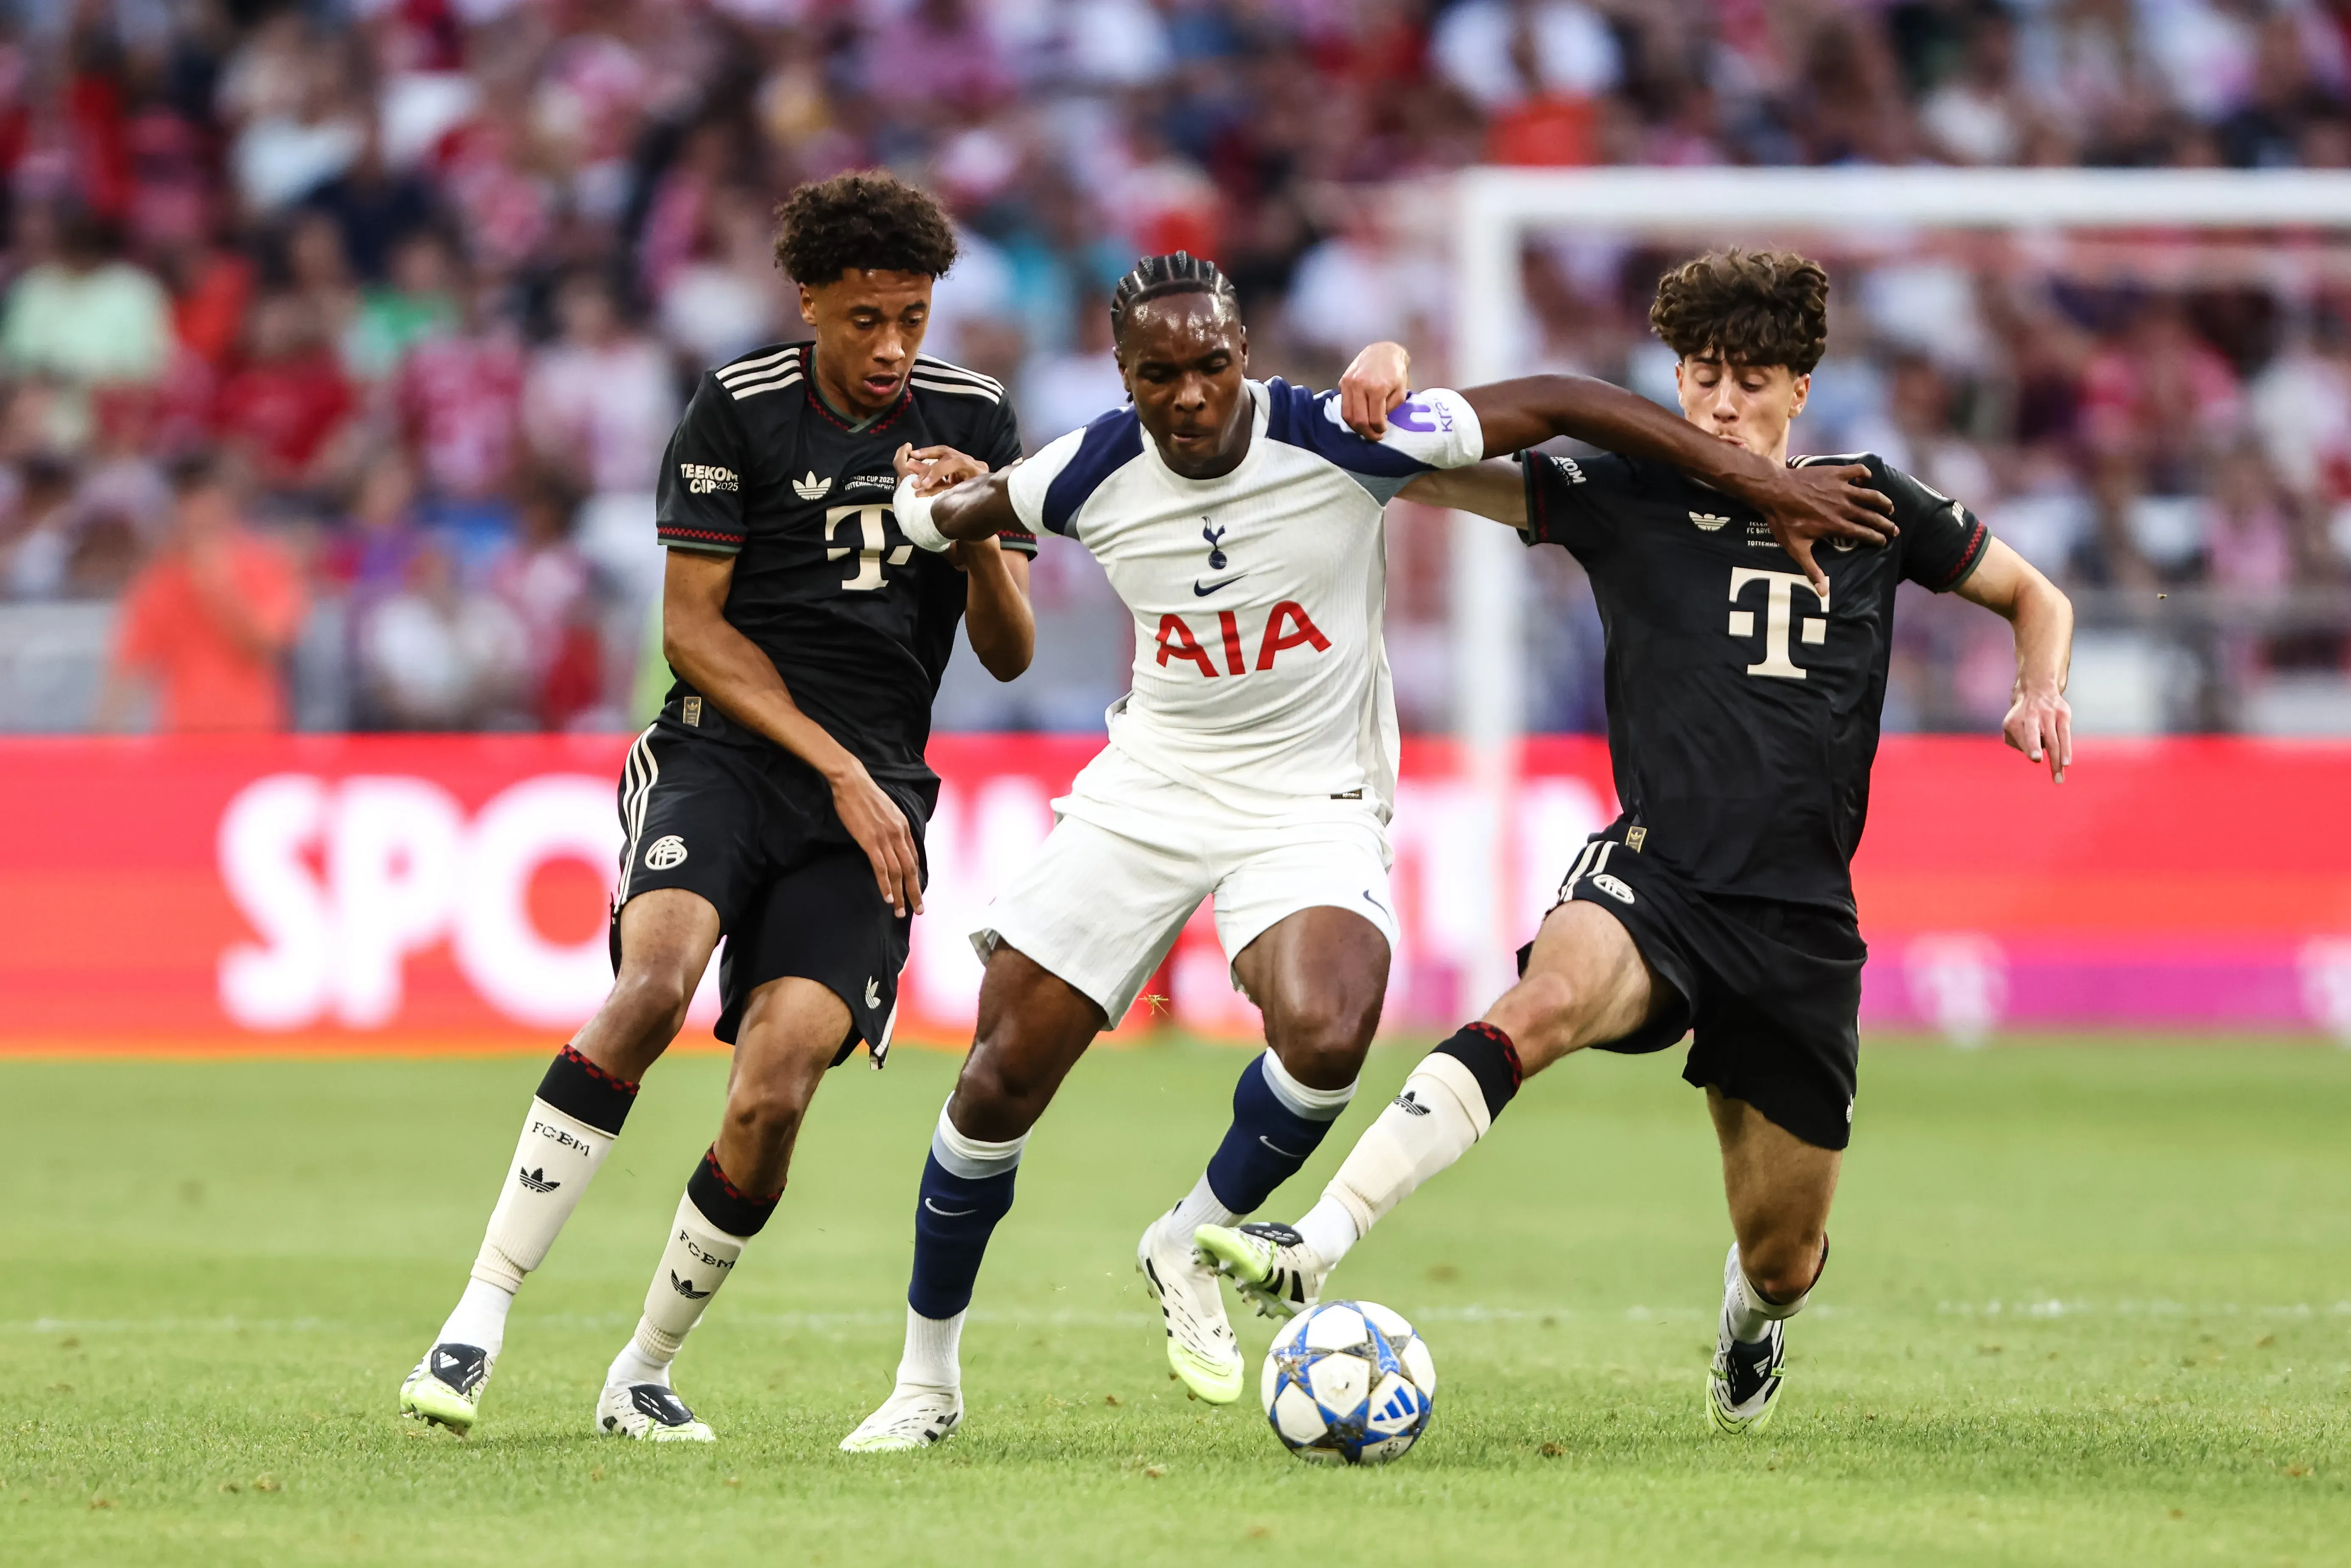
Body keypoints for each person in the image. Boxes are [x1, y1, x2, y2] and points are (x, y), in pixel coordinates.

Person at [837, 251, 1897, 1451]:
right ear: (1121, 375)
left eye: (1210, 365)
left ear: (1245, 354)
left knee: (1332, 1030)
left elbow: (1560, 399)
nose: (1189, 394)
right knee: (998, 1076)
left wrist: (1741, 476)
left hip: (1312, 796)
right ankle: (925, 1381)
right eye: (1158, 375)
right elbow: (944, 518)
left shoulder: (1341, 436)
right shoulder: (1083, 468)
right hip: (1150, 788)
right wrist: (933, 493)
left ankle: (1186, 1236)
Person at [1197, 247, 2076, 1437]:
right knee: (1541, 1004)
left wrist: (2038, 688)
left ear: (1799, 389)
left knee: (1782, 1255)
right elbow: (1426, 468)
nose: (1721, 404)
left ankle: (1752, 1322)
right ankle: (1316, 1239)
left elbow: (2036, 596)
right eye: (1702, 378)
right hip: (1655, 877)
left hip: (1799, 921)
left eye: (1750, 382)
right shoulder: (1628, 488)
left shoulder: (1870, 502)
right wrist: (1388, 377)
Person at [396, 171, 1039, 1442]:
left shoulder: (975, 416)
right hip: (723, 756)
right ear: (808, 302)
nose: (892, 347)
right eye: (864, 319)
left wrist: (974, 527)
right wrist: (838, 767)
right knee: (653, 985)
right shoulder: (737, 408)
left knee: (775, 1088)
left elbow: (1009, 653)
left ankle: (641, 1371)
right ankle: (475, 1318)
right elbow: (691, 632)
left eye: (912, 317)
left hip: (876, 795)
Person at [98, 455, 306, 733]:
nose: (197, 512)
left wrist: (219, 587)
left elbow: (267, 646)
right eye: (187, 499)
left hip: (256, 735)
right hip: (185, 737)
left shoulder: (266, 565)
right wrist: (103, 737)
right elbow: (128, 668)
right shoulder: (161, 578)